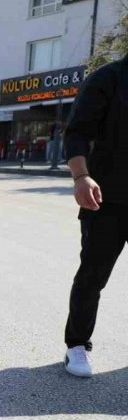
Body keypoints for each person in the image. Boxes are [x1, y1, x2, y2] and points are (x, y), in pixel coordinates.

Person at [61, 55, 128, 378]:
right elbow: (77, 132)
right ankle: (77, 344)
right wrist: (81, 176)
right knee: (93, 276)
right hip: (106, 200)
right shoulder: (108, 79)